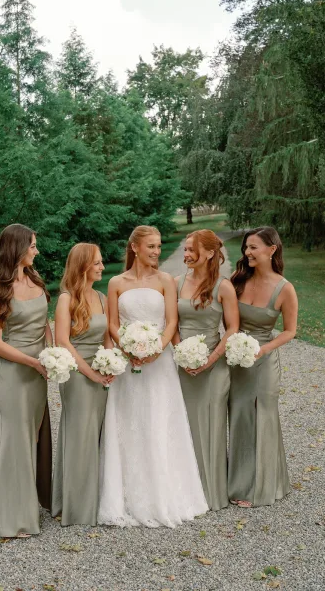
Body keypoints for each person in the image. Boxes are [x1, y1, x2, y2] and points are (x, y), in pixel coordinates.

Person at [98, 225, 208, 527]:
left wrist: (157, 349)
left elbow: (171, 321)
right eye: (151, 247)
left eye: (159, 246)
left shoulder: (165, 281)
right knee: (130, 421)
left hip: (159, 364)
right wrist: (128, 348)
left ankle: (166, 494)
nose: (157, 252)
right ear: (134, 247)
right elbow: (112, 324)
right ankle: (128, 496)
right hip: (129, 363)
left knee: (160, 419)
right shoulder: (116, 283)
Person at [0, 224, 52, 538]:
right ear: (17, 247)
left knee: (32, 437)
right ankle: (12, 519)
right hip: (14, 371)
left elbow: (44, 320)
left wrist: (51, 353)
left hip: (39, 371)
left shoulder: (34, 277)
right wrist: (32, 361)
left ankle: (20, 506)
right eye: (32, 245)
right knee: (14, 441)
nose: (36, 250)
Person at [228, 226, 298, 508]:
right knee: (241, 417)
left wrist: (263, 349)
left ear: (272, 249)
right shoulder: (238, 281)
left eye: (253, 247)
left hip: (264, 361)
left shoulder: (285, 288)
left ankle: (261, 487)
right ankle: (238, 481)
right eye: (246, 247)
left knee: (262, 416)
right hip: (237, 360)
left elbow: (290, 331)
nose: (247, 252)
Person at [173, 230, 239, 510]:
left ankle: (212, 491)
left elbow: (233, 328)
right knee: (183, 426)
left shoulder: (223, 287)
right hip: (182, 367)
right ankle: (184, 491)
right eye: (185, 249)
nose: (186, 255)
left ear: (210, 253)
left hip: (213, 367)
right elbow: (172, 326)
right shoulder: (176, 284)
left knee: (210, 425)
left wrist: (210, 360)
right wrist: (180, 354)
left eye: (191, 250)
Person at [51, 243, 113, 526]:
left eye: (101, 262)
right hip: (77, 374)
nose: (102, 267)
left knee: (99, 434)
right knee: (80, 435)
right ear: (83, 266)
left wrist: (111, 361)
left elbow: (107, 336)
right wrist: (91, 373)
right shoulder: (66, 299)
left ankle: (95, 499)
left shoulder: (100, 296)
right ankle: (75, 506)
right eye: (97, 263)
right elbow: (62, 341)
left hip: (101, 371)